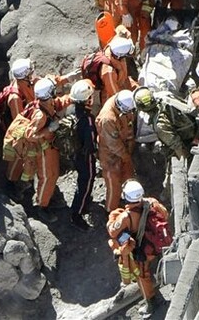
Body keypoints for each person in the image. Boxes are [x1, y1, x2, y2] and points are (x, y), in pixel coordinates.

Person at [4, 59, 73, 197]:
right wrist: (43, 129)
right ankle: (12, 183)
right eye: (30, 73)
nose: (33, 75)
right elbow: (21, 124)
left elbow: (48, 84)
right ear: (25, 76)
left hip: (36, 123)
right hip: (25, 130)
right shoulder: (15, 98)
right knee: (20, 158)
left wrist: (67, 79)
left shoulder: (33, 84)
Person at [107, 179, 169, 318]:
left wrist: (113, 216)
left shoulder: (126, 217)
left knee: (142, 275)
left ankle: (151, 303)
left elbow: (113, 232)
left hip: (142, 251)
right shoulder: (152, 202)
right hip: (156, 245)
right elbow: (165, 214)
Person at [24, 78, 72, 223]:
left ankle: (48, 197)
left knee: (54, 174)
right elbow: (30, 135)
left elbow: (58, 103)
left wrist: (73, 97)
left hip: (51, 148)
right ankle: (42, 206)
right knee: (47, 177)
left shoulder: (46, 105)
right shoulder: (40, 115)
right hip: (43, 151)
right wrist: (49, 129)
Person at [96, 90, 137, 213]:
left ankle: (128, 200)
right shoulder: (107, 119)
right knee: (113, 183)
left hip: (123, 146)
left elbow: (128, 123)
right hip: (109, 155)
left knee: (127, 175)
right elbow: (113, 144)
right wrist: (125, 155)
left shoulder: (122, 100)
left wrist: (130, 142)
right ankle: (111, 211)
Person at [133, 86, 197, 160]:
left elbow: (177, 146)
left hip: (190, 135)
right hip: (194, 120)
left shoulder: (160, 125)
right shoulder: (165, 95)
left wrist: (185, 161)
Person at [68, 80, 98, 231]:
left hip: (75, 154)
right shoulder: (88, 119)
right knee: (86, 181)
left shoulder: (71, 111)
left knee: (82, 180)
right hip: (86, 157)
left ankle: (83, 203)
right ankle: (77, 213)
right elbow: (91, 142)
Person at [99, 36, 139, 105]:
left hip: (121, 86)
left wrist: (137, 88)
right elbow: (115, 95)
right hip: (110, 99)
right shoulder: (109, 72)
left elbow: (125, 78)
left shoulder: (117, 52)